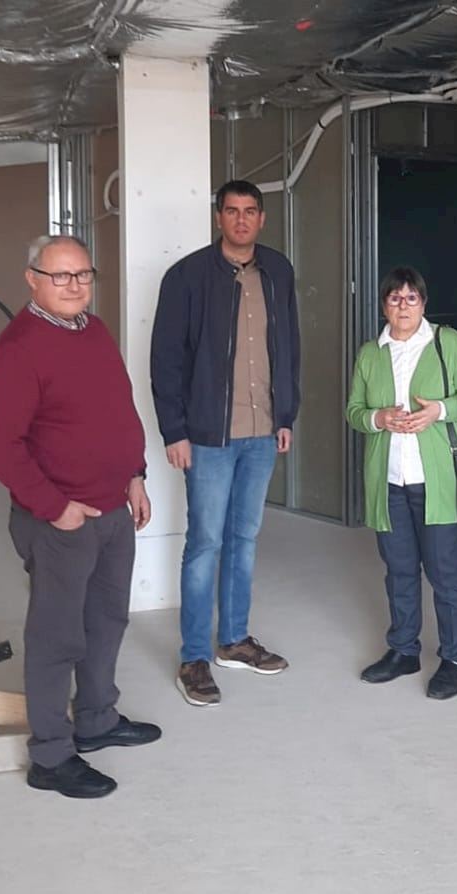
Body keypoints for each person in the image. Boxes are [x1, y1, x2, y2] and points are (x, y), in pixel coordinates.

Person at [0, 235, 159, 799]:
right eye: (60, 275)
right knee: (56, 637)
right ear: (32, 279)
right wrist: (56, 508)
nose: (74, 285)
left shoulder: (95, 330)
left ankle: (97, 719)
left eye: (83, 274)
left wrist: (135, 474)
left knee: (106, 621)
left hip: (113, 509)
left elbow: (120, 410)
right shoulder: (19, 347)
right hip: (62, 521)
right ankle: (51, 756)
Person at [151, 179, 300, 707]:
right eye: (232, 211)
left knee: (244, 538)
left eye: (250, 211)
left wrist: (286, 415)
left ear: (262, 218)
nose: (241, 219)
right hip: (209, 436)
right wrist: (174, 431)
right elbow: (166, 359)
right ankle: (194, 656)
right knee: (205, 543)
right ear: (219, 218)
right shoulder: (187, 276)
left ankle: (234, 640)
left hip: (263, 432)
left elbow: (289, 346)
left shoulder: (278, 270)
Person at [346, 266, 457, 700]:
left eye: (411, 298)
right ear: (383, 305)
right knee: (400, 570)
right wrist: (379, 418)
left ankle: (456, 658)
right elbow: (353, 411)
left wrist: (437, 411)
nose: (403, 306)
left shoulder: (446, 342)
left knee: (446, 572)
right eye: (394, 298)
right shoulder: (370, 353)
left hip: (435, 482)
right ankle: (404, 650)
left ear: (423, 304)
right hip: (389, 482)